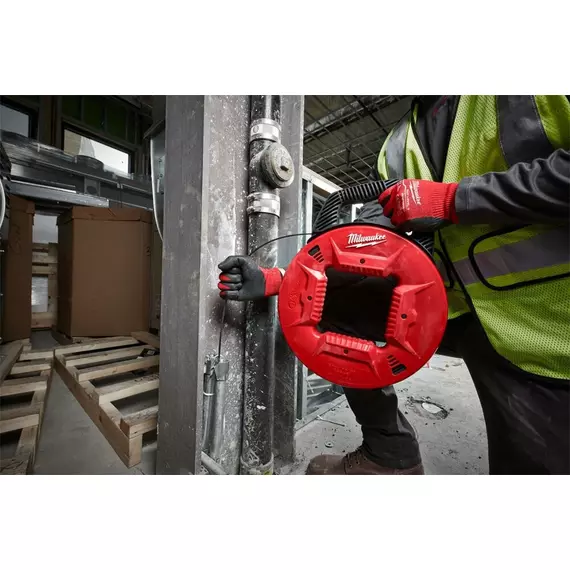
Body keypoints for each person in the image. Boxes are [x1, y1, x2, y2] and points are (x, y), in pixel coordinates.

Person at [218, 96, 570, 475]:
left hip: (543, 324)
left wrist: (454, 200)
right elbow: (362, 249)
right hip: (446, 306)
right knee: (337, 306)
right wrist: (280, 279)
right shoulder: (398, 142)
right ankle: (389, 451)